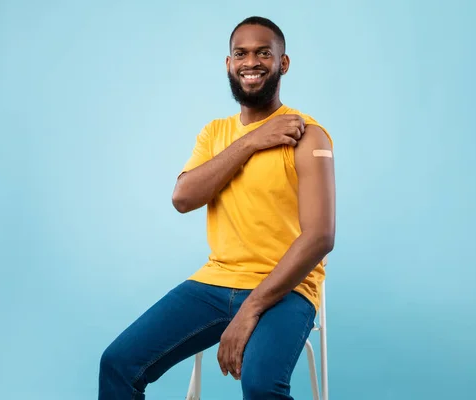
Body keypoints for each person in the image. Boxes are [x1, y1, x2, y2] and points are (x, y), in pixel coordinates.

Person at [98, 16, 336, 400]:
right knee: (117, 364)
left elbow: (321, 237)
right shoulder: (215, 133)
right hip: (214, 283)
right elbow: (183, 198)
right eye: (240, 53)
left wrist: (251, 310)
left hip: (285, 289)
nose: (251, 62)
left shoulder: (308, 135)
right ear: (228, 63)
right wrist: (253, 140)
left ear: (283, 63)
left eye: (264, 53)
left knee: (260, 386)